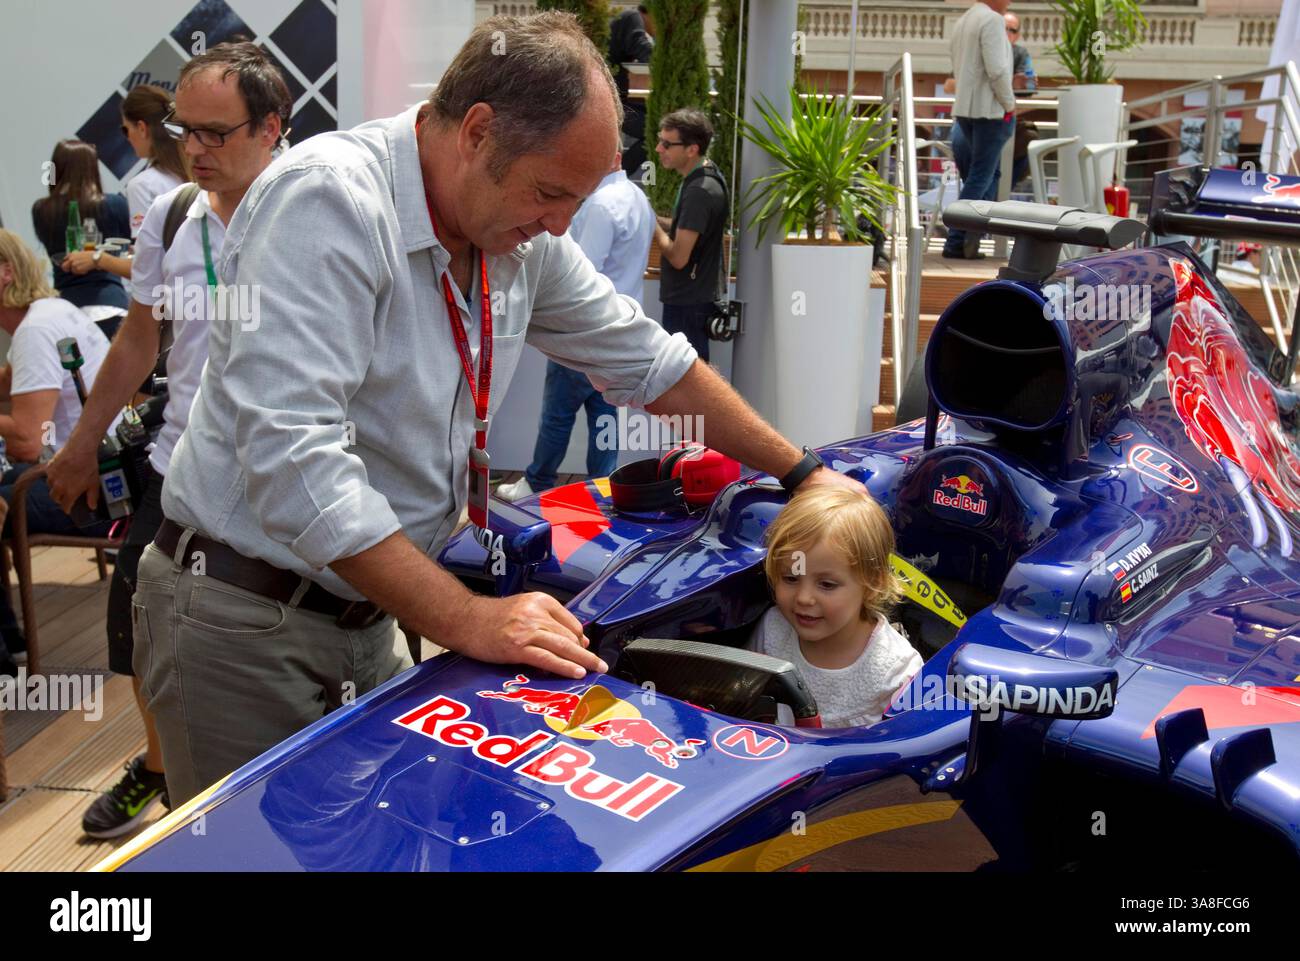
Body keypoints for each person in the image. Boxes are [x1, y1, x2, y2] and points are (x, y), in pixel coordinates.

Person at [48, 13, 863, 807]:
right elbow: (297, 468)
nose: (558, 224)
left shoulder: (518, 233)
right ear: (476, 131)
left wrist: (803, 472)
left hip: (371, 613)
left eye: (576, 201)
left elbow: (646, 359)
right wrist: (471, 619)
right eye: (549, 192)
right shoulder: (327, 203)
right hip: (241, 620)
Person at [46, 41, 290, 838]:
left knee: (289, 638)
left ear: (272, 127)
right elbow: (139, 339)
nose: (197, 149)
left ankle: (270, 796)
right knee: (139, 629)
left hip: (286, 467)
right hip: (177, 461)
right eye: (188, 131)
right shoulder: (171, 216)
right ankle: (157, 767)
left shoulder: (310, 209)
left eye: (218, 133)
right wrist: (82, 439)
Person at [497, 151, 655, 502]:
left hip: (586, 331)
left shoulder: (601, 205)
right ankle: (604, 491)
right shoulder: (636, 198)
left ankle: (538, 482)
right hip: (618, 329)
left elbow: (580, 274)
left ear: (612, 157)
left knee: (557, 415)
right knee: (605, 422)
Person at [0, 230, 115, 677]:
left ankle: (6, 655)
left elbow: (28, 441)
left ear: (6, 272)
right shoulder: (53, 312)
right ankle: (10, 639)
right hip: (110, 474)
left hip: (85, 491)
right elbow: (15, 380)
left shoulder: (31, 333)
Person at [751, 486, 922, 727]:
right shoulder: (773, 629)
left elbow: (912, 741)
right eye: (790, 578)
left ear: (872, 583)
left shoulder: (897, 668)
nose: (804, 598)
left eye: (827, 584)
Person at [63, 85, 192, 286]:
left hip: (169, 301)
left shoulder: (142, 185)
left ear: (141, 128)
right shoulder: (194, 174)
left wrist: (98, 259)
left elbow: (146, 269)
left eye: (125, 129)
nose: (127, 137)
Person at [654, 108, 729, 363]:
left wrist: (651, 227)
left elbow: (678, 257)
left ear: (691, 149)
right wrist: (658, 220)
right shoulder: (708, 177)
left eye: (667, 143)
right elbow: (687, 226)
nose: (658, 149)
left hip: (688, 304)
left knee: (684, 385)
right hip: (694, 300)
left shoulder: (699, 191)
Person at [943, 0, 1016, 260]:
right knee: (981, 176)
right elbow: (997, 70)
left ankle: (969, 240)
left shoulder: (963, 21)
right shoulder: (992, 20)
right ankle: (956, 242)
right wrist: (1010, 104)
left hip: (967, 109)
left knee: (988, 174)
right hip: (990, 110)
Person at [30, 140, 132, 315]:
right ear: (92, 168)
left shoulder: (41, 210)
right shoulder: (115, 204)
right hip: (111, 302)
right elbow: (129, 249)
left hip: (68, 308)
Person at [608, 4, 655, 179]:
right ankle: (618, 175)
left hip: (617, 101)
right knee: (653, 130)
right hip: (613, 104)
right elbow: (642, 48)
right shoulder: (633, 16)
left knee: (654, 125)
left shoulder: (628, 18)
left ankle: (618, 174)